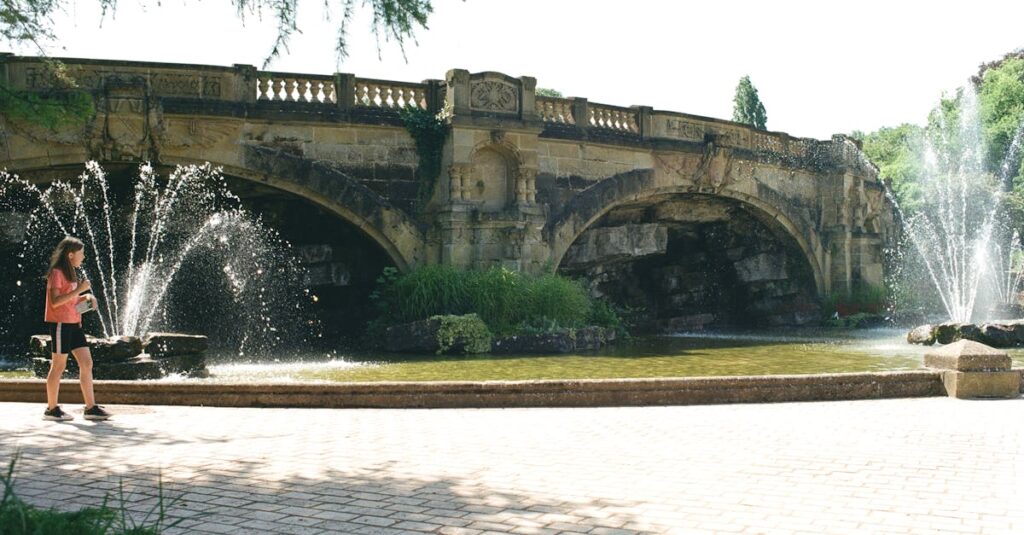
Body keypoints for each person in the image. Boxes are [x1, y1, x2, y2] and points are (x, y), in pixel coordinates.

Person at [42, 237, 110, 422]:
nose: (84, 257)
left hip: (74, 325)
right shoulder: (56, 273)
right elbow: (55, 302)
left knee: (87, 363)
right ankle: (51, 409)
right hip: (60, 325)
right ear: (70, 254)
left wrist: (87, 298)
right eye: (81, 253)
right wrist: (80, 289)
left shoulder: (71, 272)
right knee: (58, 366)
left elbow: (70, 300)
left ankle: (90, 408)